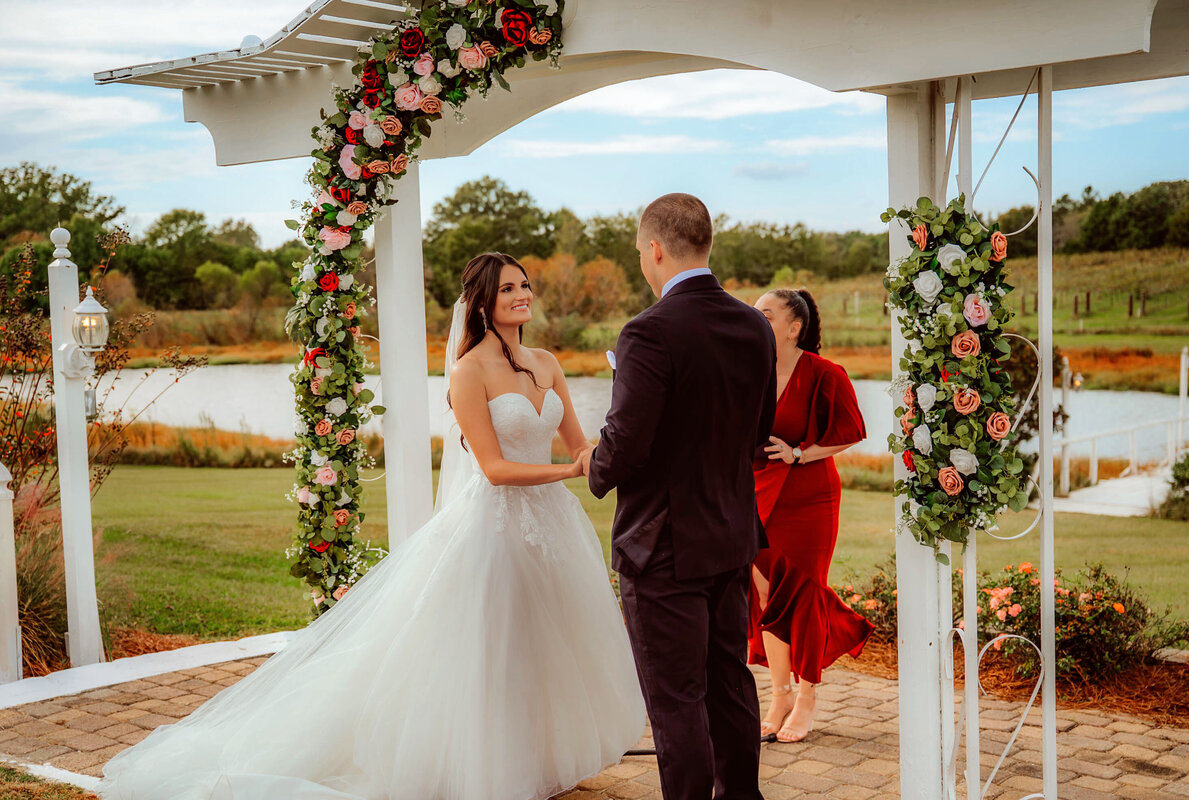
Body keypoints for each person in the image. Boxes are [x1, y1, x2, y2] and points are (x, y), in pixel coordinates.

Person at [97, 253, 645, 800]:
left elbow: (579, 444)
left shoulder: (547, 362)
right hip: (493, 528)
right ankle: (485, 765)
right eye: (507, 289)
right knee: (495, 648)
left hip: (553, 526)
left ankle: (538, 757)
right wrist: (568, 471)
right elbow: (495, 470)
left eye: (524, 284)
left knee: (547, 643)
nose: (522, 294)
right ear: (482, 303)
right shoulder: (468, 371)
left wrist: (612, 442)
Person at [582, 193, 776, 800]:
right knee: (729, 683)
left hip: (662, 545)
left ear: (655, 249)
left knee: (676, 700)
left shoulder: (648, 332)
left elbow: (627, 443)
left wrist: (595, 463)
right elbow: (759, 430)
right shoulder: (754, 324)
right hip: (730, 535)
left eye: (640, 252)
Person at [748, 288, 872, 744]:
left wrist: (800, 453)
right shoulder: (750, 371)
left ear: (793, 327)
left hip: (810, 497)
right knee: (765, 592)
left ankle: (806, 698)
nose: (755, 319)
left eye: (766, 314)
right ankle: (779, 694)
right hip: (757, 494)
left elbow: (851, 432)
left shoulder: (824, 373)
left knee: (803, 591)